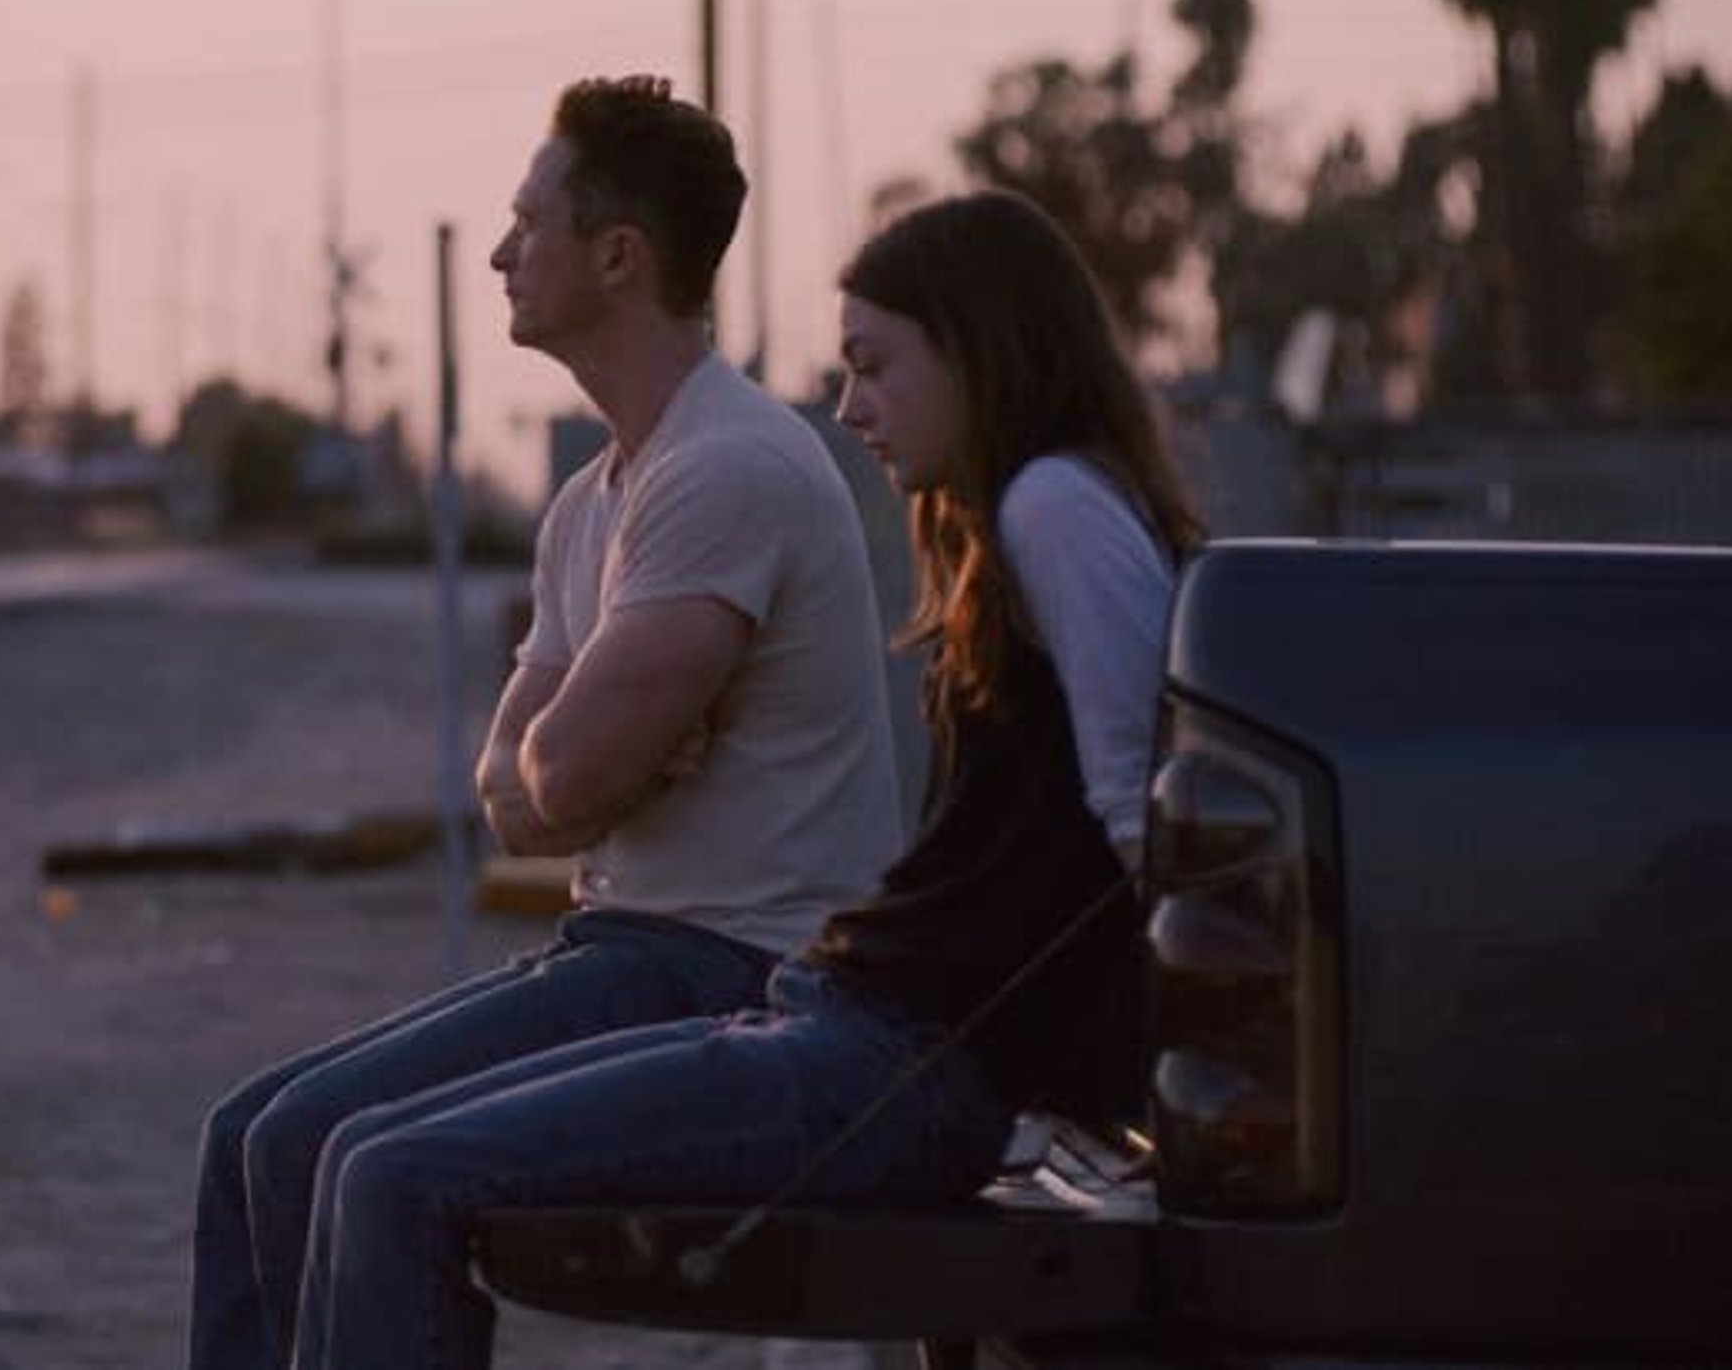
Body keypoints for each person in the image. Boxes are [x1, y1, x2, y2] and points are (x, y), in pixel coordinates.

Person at [284, 188, 1204, 1370]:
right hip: (841, 1026)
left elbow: (1145, 814)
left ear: (979, 350)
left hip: (896, 1068)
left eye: (875, 366)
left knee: (395, 1174)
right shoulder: (1006, 521)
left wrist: (1186, 1089)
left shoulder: (1053, 506)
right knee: (362, 1153)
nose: (847, 406)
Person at [186, 75, 904, 1370]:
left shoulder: (728, 468)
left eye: (531, 223)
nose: (505, 253)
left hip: (744, 980)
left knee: (361, 1165)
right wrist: (572, 757)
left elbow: (560, 786)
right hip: (623, 952)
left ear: (620, 257)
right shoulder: (595, 501)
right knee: (254, 1136)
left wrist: (570, 759)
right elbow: (516, 790)